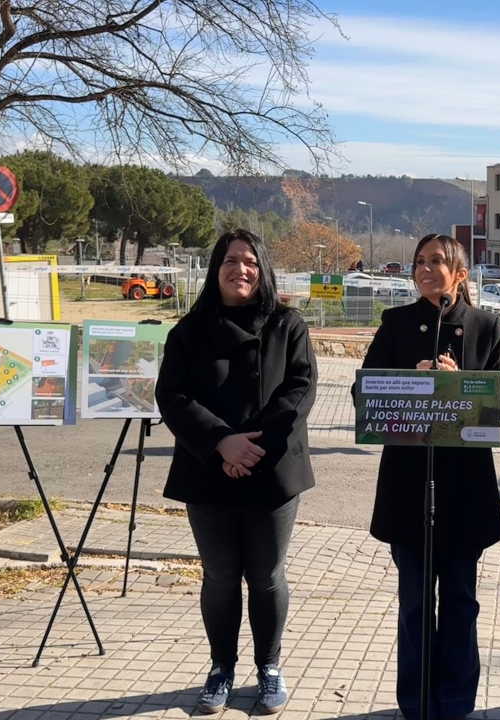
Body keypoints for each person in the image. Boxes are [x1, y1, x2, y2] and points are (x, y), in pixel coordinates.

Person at [156, 229, 317, 715]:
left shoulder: (288, 324)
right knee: (221, 576)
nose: (240, 269)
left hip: (273, 472)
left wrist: (251, 448)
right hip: (209, 470)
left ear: (261, 269)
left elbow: (300, 390)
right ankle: (221, 668)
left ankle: (269, 668)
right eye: (230, 260)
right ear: (215, 269)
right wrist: (221, 442)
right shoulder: (188, 331)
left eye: (249, 261)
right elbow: (173, 398)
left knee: (266, 576)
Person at [360, 233, 500, 720]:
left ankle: (454, 703)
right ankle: (416, 703)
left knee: (459, 602)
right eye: (420, 262)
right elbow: (364, 394)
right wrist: (413, 378)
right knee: (413, 605)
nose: (427, 269)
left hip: (463, 491)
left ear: (461, 274)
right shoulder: (396, 323)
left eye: (437, 261)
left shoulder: (487, 326)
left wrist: (457, 379)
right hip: (409, 487)